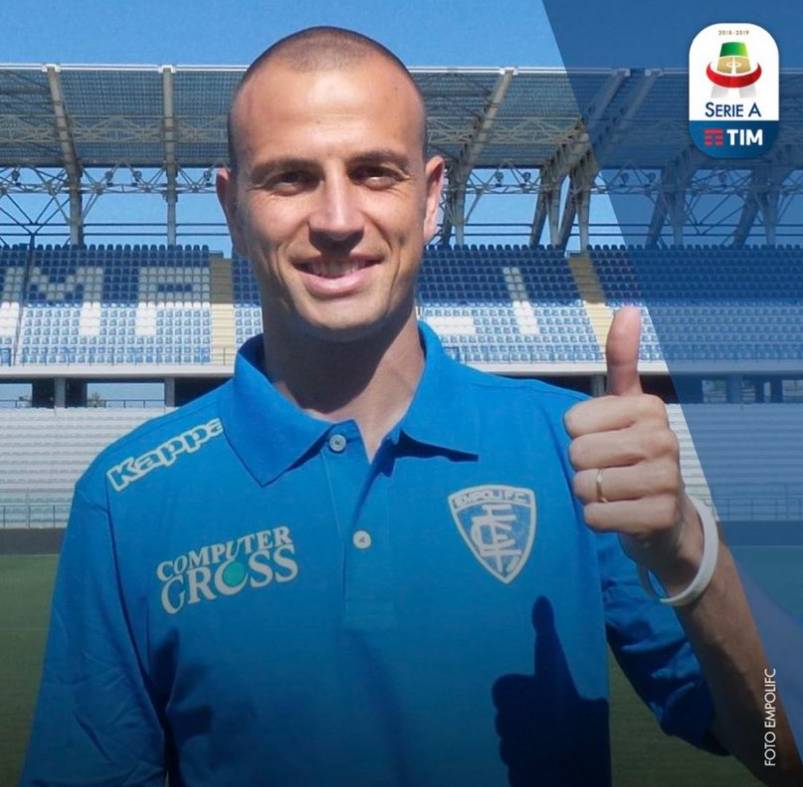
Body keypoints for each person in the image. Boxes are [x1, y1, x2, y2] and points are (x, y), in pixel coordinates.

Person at [20, 26, 801, 787]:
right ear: (232, 206)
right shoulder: (127, 498)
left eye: (373, 172)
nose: (336, 220)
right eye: (289, 177)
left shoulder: (570, 453)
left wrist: (693, 557)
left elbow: (779, 747)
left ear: (430, 197)